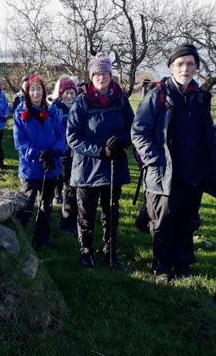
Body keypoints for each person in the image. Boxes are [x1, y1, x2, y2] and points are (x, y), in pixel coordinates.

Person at [131, 43, 216, 282]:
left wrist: (210, 159)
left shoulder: (200, 97)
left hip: (193, 171)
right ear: (171, 68)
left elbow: (209, 132)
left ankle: (183, 264)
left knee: (187, 220)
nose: (185, 68)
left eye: (190, 64)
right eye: (180, 64)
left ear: (196, 68)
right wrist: (155, 161)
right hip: (165, 173)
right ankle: (162, 267)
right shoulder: (158, 96)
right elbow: (139, 132)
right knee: (163, 221)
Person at [66, 53, 134, 268]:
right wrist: (99, 150)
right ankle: (86, 252)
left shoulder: (121, 99)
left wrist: (121, 141)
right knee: (86, 214)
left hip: (114, 165)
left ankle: (110, 252)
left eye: (105, 73)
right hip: (87, 168)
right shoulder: (82, 101)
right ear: (91, 76)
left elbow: (133, 129)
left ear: (110, 75)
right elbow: (73, 137)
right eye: (97, 73)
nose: (101, 77)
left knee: (111, 212)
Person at [13, 74, 65, 248]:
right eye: (32, 89)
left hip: (51, 166)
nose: (36, 93)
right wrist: (38, 154)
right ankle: (17, 241)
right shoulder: (20, 113)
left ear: (44, 92)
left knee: (46, 206)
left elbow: (60, 135)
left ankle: (41, 241)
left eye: (39, 89)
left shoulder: (51, 112)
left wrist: (53, 152)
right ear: (27, 92)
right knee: (26, 206)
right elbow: (20, 143)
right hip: (30, 168)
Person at [51, 75, 79, 235]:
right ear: (61, 94)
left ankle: (75, 219)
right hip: (63, 153)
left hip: (78, 153)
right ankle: (67, 223)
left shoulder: (78, 106)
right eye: (67, 93)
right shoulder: (56, 108)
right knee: (68, 187)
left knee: (76, 187)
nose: (70, 96)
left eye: (72, 93)